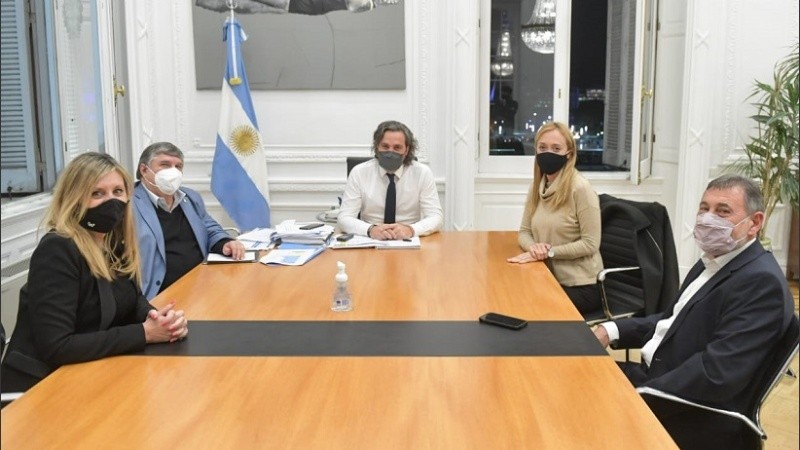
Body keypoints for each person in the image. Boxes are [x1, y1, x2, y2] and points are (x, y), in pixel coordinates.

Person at [593, 174, 795, 449]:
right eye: (704, 208)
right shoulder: (714, 259)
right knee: (571, 371)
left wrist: (638, 394)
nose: (707, 218)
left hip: (687, 408)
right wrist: (611, 330)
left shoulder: (761, 283)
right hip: (659, 377)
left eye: (723, 211)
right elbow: (671, 322)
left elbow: (716, 373)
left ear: (755, 223)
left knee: (576, 401)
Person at [0, 153, 188, 394]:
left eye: (117, 192)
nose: (111, 202)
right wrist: (144, 333)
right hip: (39, 387)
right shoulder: (58, 249)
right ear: (75, 199)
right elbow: (57, 346)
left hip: (89, 373)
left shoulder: (112, 241)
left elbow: (131, 300)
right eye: (97, 193)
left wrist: (157, 318)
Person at [507, 121, 602, 317]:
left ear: (569, 154)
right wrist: (534, 248)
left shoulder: (580, 189)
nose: (547, 153)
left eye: (556, 148)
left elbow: (591, 244)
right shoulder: (537, 186)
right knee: (509, 293)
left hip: (581, 285)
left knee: (525, 307)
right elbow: (524, 232)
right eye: (542, 147)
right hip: (548, 277)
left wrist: (549, 252)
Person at [133, 142, 246, 300]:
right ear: (144, 170)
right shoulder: (128, 203)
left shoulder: (190, 197)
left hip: (201, 282)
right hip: (160, 293)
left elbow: (210, 228)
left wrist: (225, 242)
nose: (173, 171)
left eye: (178, 166)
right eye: (165, 165)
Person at [338, 120, 443, 240]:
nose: (390, 152)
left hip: (408, 238)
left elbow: (436, 217)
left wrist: (411, 230)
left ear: (407, 150)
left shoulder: (422, 173)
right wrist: (370, 230)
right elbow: (344, 217)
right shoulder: (359, 173)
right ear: (377, 147)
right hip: (370, 238)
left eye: (397, 147)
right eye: (385, 146)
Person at [196, 0, 399, 15]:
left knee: (246, 4)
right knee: (243, 5)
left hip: (300, 2)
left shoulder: (366, 4)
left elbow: (353, 4)